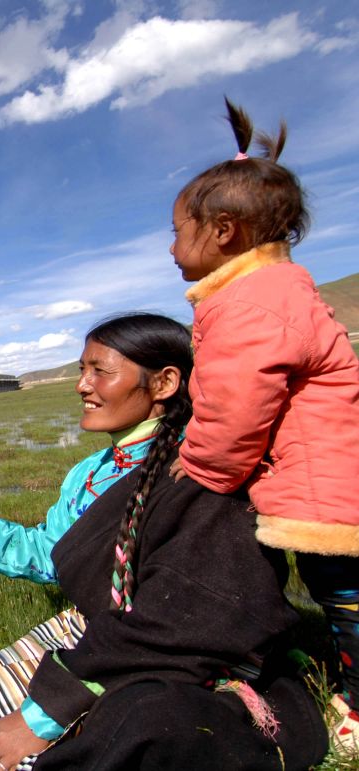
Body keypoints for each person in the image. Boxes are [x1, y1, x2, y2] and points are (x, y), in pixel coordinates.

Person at [0, 313, 328, 770]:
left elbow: (196, 608)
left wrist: (47, 711)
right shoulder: (89, 474)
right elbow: (51, 554)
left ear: (164, 383)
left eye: (100, 371)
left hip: (178, 649)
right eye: (81, 370)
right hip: (104, 631)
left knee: (43, 746)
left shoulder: (202, 468)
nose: (82, 385)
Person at [169, 98, 359, 752]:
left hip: (326, 489)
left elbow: (234, 409)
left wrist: (200, 465)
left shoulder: (249, 304)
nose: (171, 247)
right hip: (318, 478)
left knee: (349, 597)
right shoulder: (276, 289)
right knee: (324, 588)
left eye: (177, 232)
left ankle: (355, 706)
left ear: (224, 231)